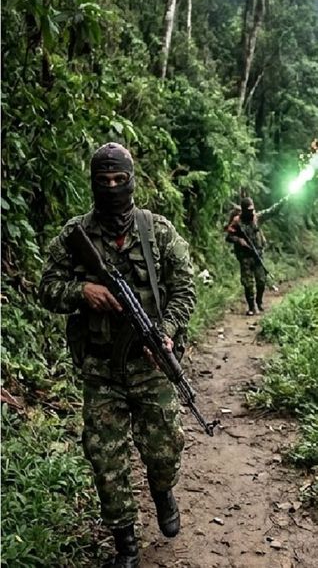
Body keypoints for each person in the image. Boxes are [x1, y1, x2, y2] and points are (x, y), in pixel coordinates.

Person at [39, 143, 196, 567]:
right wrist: (82, 291)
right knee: (105, 456)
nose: (111, 188)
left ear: (131, 180)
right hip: (101, 367)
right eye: (103, 181)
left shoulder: (158, 231)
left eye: (118, 180)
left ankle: (163, 492)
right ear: (93, 182)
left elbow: (185, 288)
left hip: (150, 362)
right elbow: (46, 288)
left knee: (164, 451)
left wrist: (165, 331)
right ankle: (126, 543)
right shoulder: (77, 235)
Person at [225, 196, 284, 315]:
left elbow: (272, 211)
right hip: (245, 256)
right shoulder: (237, 222)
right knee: (248, 283)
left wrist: (283, 201)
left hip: (258, 255)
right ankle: (251, 307)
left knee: (261, 281)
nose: (252, 212)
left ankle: (259, 301)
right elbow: (229, 236)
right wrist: (239, 240)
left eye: (253, 209)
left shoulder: (257, 218)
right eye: (249, 210)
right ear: (244, 210)